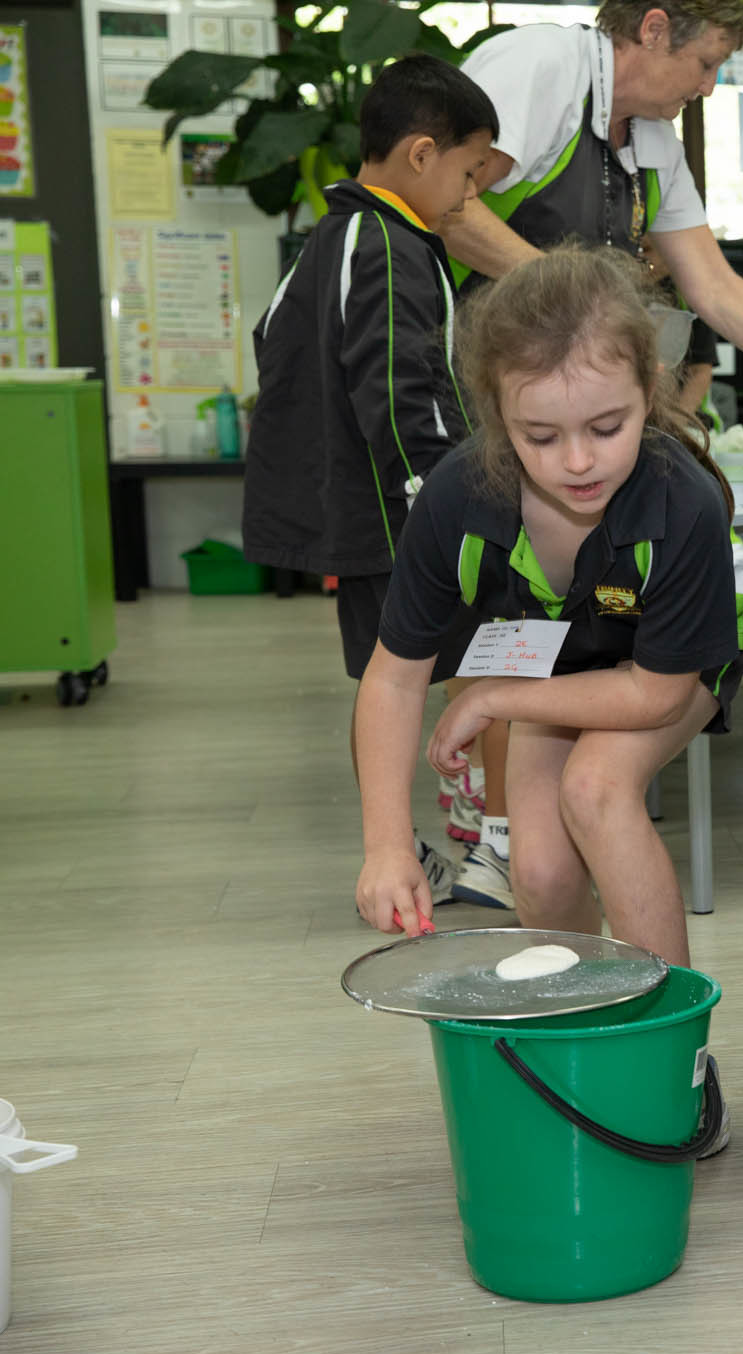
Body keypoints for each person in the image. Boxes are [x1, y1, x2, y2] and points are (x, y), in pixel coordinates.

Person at [353, 245, 743, 981]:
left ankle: (666, 1032)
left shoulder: (682, 503)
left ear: (650, 387)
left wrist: (494, 698)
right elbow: (394, 680)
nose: (578, 462)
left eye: (607, 427)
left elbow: (655, 694)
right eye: (540, 437)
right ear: (498, 415)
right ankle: (584, 1016)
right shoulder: (456, 497)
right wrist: (387, 846)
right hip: (563, 666)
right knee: (536, 869)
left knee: (596, 788)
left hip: (668, 669)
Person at [241, 54, 499, 905]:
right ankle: (498, 847)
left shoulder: (336, 235)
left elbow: (270, 337)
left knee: (386, 680)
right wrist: (449, 502)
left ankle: (403, 847)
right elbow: (400, 390)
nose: (471, 194)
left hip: (360, 516)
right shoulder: (385, 244)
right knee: (490, 664)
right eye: (468, 170)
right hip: (402, 516)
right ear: (422, 154)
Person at [443, 0, 743, 412]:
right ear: (654, 30)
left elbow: (714, 284)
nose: (709, 87)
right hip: (461, 370)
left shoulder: (655, 141)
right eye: (706, 64)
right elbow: (446, 204)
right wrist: (575, 291)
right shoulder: (542, 67)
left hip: (560, 386)